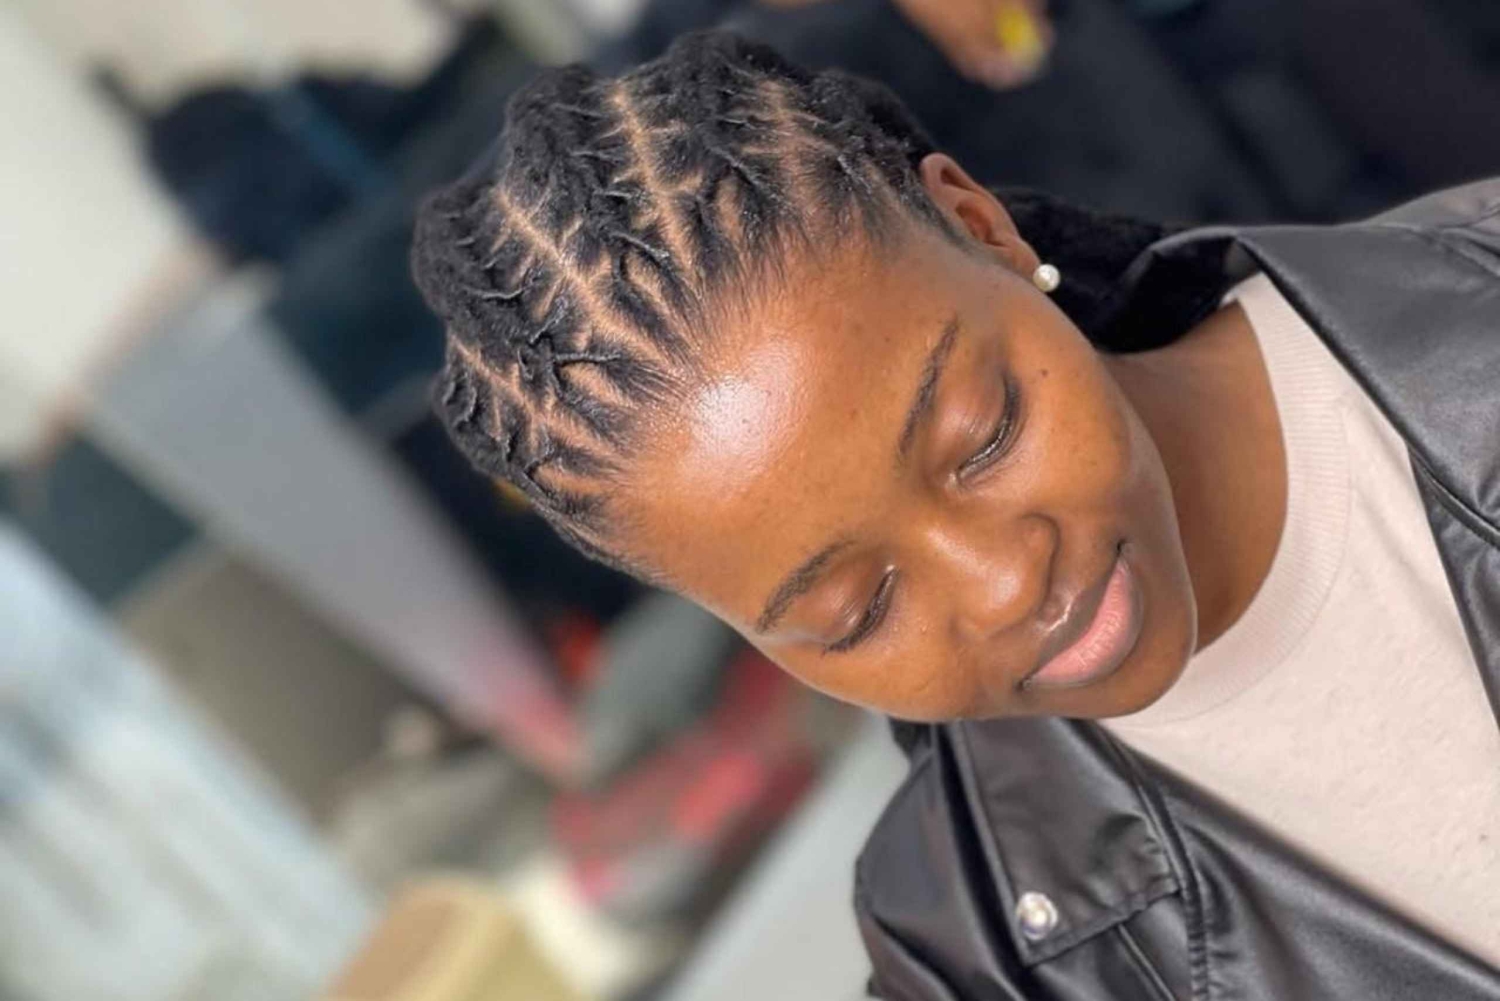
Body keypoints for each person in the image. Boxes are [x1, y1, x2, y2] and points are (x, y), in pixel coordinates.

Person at [410, 32, 1500, 998]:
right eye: (857, 611)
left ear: (982, 226)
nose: (1006, 582)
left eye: (984, 437)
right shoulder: (981, 960)